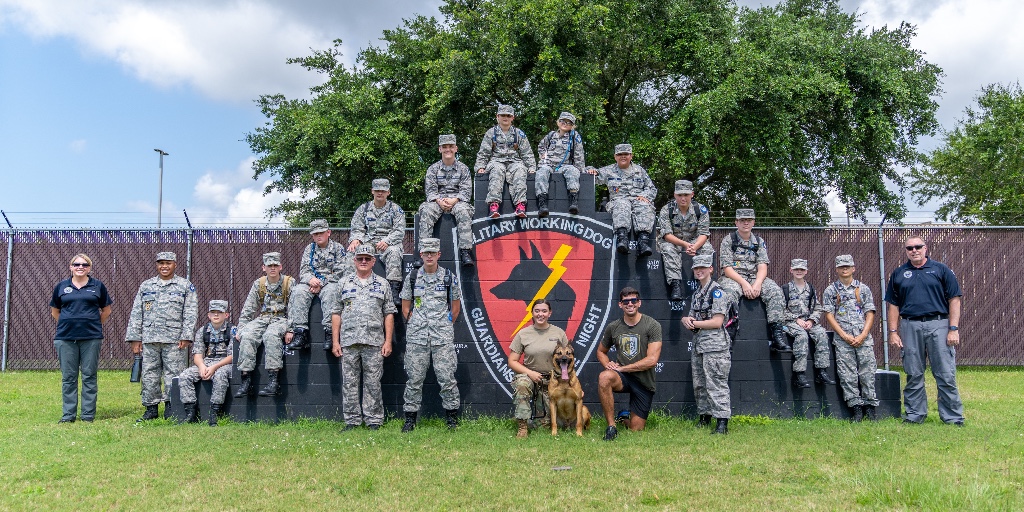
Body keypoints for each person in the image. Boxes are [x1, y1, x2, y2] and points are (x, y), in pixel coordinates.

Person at [885, 237, 965, 426]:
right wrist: (893, 332)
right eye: (910, 248)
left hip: (939, 324)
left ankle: (953, 417)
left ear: (925, 248)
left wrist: (953, 329)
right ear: (906, 251)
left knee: (945, 373)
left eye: (918, 247)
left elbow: (955, 299)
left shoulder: (941, 270)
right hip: (910, 325)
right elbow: (893, 305)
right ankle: (915, 415)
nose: (914, 250)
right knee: (913, 372)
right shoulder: (899, 274)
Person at [126, 251, 198, 422]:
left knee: (173, 374)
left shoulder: (185, 285)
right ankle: (151, 408)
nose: (164, 266)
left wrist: (187, 335)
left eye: (168, 263)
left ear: (175, 265)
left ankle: (171, 407)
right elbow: (137, 313)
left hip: (175, 340)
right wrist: (135, 337)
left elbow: (191, 312)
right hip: (149, 338)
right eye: (161, 263)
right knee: (150, 374)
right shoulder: (146, 286)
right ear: (157, 265)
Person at [400, 237, 462, 432]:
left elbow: (455, 308)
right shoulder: (412, 277)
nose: (429, 256)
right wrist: (418, 324)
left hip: (442, 338)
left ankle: (451, 418)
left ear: (438, 255)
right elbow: (405, 307)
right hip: (417, 337)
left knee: (446, 377)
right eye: (425, 253)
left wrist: (442, 325)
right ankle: (410, 419)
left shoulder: (448, 277)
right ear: (421, 255)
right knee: (414, 378)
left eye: (432, 253)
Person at [332, 244, 396, 430]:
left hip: (374, 341)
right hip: (349, 341)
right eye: (360, 258)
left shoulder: (383, 284)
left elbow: (389, 314)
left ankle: (374, 420)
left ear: (373, 261)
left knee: (373, 383)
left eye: (367, 258)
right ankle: (352, 421)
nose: (363, 261)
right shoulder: (343, 283)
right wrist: (336, 341)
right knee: (349, 384)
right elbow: (336, 313)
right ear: (354, 261)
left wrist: (388, 341)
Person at [50, 253, 112, 423]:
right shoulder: (61, 287)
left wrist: (93, 324)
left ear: (89, 268)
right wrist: (68, 323)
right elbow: (55, 311)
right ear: (71, 267)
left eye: (84, 265)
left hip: (91, 338)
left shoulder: (97, 286)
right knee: (68, 377)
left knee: (89, 375)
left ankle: (87, 415)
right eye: (76, 264)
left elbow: (106, 311)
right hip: (65, 338)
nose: (80, 267)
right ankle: (68, 415)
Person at [717, 208, 789, 352]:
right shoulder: (729, 240)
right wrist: (744, 284)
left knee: (775, 291)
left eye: (748, 220)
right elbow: (727, 268)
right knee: (728, 293)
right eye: (742, 220)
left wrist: (757, 284)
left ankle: (777, 334)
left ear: (753, 222)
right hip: (734, 277)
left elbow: (762, 267)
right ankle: (728, 334)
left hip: (754, 277)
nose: (745, 223)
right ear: (736, 222)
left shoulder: (758, 241)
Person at [596, 287, 663, 440]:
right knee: (604, 377)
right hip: (622, 378)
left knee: (636, 429)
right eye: (626, 301)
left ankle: (623, 418)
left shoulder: (652, 325)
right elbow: (601, 351)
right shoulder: (613, 327)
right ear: (620, 305)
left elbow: (652, 360)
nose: (630, 304)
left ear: (639, 303)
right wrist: (608, 365)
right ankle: (611, 427)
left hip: (644, 380)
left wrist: (623, 368)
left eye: (633, 301)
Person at [681, 254, 735, 435]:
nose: (699, 271)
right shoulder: (697, 294)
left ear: (711, 269)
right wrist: (686, 320)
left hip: (715, 346)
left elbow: (717, 322)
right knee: (700, 383)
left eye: (703, 267)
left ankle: (722, 423)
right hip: (699, 344)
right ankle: (704, 416)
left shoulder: (717, 292)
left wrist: (694, 323)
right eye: (696, 268)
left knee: (716, 383)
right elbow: (693, 317)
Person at [822, 255, 879, 422]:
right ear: (837, 269)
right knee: (847, 375)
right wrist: (843, 335)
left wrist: (863, 335)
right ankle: (856, 409)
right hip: (843, 339)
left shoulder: (863, 289)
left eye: (847, 266)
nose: (844, 269)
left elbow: (870, 313)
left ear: (853, 268)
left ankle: (870, 408)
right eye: (841, 267)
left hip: (863, 338)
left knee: (867, 373)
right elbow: (829, 315)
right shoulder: (831, 290)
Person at [235, 252, 295, 398]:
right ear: (264, 267)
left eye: (275, 265)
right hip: (264, 318)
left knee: (271, 335)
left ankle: (273, 381)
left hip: (281, 318)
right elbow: (249, 308)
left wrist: (291, 329)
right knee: (247, 335)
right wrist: (241, 328)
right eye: (269, 266)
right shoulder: (259, 284)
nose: (272, 268)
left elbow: (295, 308)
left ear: (280, 266)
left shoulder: (289, 282)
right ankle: (246, 380)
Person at [286, 219, 352, 351]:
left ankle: (330, 333)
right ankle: (300, 333)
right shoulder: (309, 249)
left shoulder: (338, 248)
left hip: (330, 282)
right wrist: (310, 279)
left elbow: (341, 272)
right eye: (315, 234)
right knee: (298, 291)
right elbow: (304, 271)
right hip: (311, 283)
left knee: (332, 292)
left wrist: (320, 283)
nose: (318, 236)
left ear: (328, 232)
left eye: (321, 232)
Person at [507, 298, 568, 438]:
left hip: (552, 379)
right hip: (531, 377)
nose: (541, 314)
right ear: (532, 313)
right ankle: (522, 427)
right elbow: (512, 361)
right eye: (537, 311)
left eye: (544, 311)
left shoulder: (559, 333)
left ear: (550, 313)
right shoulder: (523, 334)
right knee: (522, 384)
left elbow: (567, 360)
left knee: (544, 426)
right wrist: (530, 373)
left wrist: (574, 384)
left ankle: (538, 420)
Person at [417, 134, 475, 267]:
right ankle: (423, 251)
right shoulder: (433, 169)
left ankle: (465, 251)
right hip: (438, 201)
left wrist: (454, 200)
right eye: (444, 147)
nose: (447, 149)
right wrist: (439, 201)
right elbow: (430, 191)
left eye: (450, 147)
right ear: (440, 149)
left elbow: (466, 192)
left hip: (457, 201)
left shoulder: (463, 169)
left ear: (456, 148)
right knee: (426, 210)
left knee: (464, 210)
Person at [591, 144, 658, 257]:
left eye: (626, 154)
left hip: (637, 200)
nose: (623, 157)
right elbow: (593, 174)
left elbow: (651, 188)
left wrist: (645, 196)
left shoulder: (640, 171)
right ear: (615, 157)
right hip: (618, 201)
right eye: (620, 154)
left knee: (645, 205)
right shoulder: (609, 170)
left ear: (631, 156)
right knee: (622, 204)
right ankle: (622, 239)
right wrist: (590, 170)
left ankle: (643, 242)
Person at [347, 178, 407, 299]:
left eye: (383, 191)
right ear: (372, 191)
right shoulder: (363, 209)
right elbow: (357, 228)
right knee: (353, 251)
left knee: (394, 252)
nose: (380, 193)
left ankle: (393, 292)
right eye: (377, 190)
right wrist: (356, 239)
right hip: (368, 243)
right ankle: (349, 287)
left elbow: (399, 231)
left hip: (389, 244)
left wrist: (387, 241)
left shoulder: (396, 210)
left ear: (388, 192)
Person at [178, 300, 234, 425]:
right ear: (208, 315)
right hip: (207, 362)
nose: (216, 315)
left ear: (226, 315)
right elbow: (197, 355)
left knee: (220, 375)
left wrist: (214, 367)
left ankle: (214, 412)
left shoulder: (232, 331)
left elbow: (232, 356)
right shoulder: (202, 331)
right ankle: (191, 412)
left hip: (225, 364)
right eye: (213, 312)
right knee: (185, 376)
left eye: (219, 313)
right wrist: (202, 366)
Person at [475, 105, 536, 219]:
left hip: (514, 161)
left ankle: (520, 205)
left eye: (508, 116)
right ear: (497, 117)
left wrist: (531, 167)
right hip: (496, 160)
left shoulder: (519, 134)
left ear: (512, 118)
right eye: (503, 115)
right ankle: (494, 205)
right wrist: (480, 167)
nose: (505, 118)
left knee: (520, 170)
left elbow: (527, 152)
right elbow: (484, 152)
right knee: (497, 170)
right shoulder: (491, 133)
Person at [782, 259, 834, 388]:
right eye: (796, 269)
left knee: (821, 334)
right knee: (802, 336)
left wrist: (811, 320)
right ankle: (800, 374)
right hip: (791, 322)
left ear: (806, 271)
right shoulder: (785, 289)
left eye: (801, 269)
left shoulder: (810, 288)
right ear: (791, 270)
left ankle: (821, 371)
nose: (799, 272)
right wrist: (796, 319)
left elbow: (817, 307)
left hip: (808, 322)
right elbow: (780, 310)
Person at [657, 179, 711, 300]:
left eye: (686, 195)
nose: (683, 198)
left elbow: (704, 233)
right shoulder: (667, 209)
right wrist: (685, 245)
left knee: (707, 248)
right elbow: (666, 234)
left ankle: (704, 282)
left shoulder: (700, 210)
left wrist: (695, 246)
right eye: (680, 195)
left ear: (692, 194)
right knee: (667, 247)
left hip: (693, 241)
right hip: (673, 241)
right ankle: (675, 285)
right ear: (675, 195)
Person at [534, 111, 586, 215]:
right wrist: (543, 155)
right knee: (541, 173)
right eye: (563, 121)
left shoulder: (574, 136)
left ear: (572, 126)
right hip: (548, 165)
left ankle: (573, 202)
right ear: (558, 122)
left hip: (565, 165)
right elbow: (541, 146)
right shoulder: (551, 135)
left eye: (569, 123)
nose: (565, 124)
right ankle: (542, 204)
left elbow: (579, 154)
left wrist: (581, 169)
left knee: (573, 171)